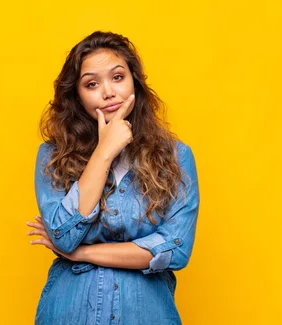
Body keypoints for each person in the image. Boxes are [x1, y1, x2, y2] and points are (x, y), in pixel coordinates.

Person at [26, 31, 200, 325]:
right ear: (77, 96)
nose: (108, 92)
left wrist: (81, 254)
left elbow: (175, 250)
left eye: (117, 77)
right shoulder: (52, 156)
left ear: (135, 81)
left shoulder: (176, 157)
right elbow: (63, 234)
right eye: (92, 84)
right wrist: (104, 152)